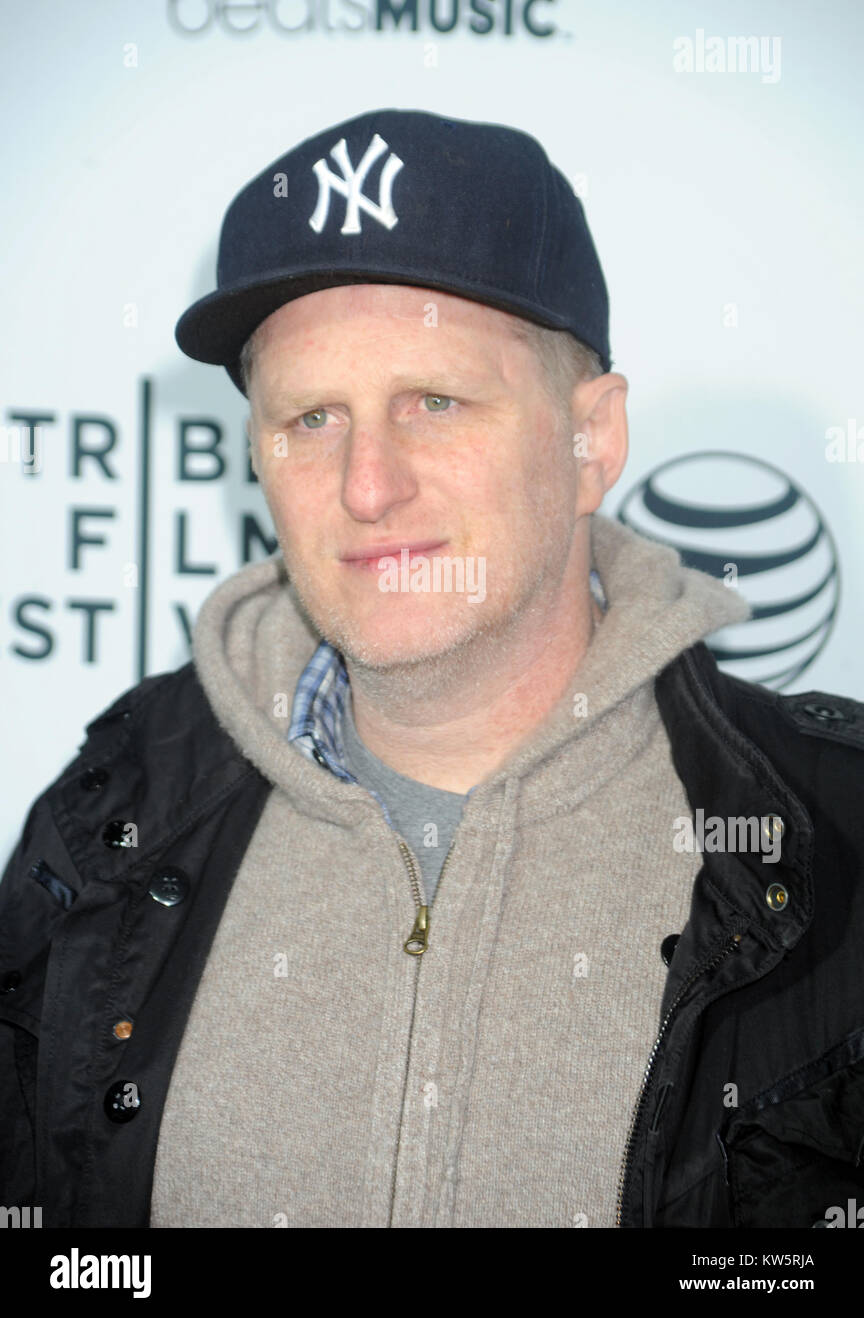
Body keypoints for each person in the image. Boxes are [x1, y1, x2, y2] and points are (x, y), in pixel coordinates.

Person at [2, 108, 863, 1230]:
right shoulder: (110, 815)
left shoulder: (832, 832)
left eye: (436, 403)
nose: (367, 486)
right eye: (312, 417)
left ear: (591, 441)